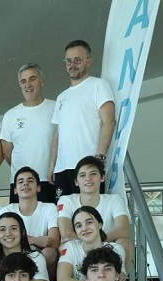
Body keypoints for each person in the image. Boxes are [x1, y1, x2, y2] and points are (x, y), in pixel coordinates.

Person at [50, 40, 116, 198]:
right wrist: (52, 165)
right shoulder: (61, 97)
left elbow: (109, 122)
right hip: (62, 169)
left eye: (77, 60)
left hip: (88, 168)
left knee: (89, 212)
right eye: (68, 61)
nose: (72, 65)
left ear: (88, 61)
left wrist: (99, 157)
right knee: (65, 213)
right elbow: (58, 135)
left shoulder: (99, 85)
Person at [1, 64, 58, 204]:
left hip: (49, 179)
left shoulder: (55, 107)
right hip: (20, 183)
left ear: (41, 81)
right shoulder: (10, 115)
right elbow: (7, 153)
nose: (28, 85)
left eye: (32, 79)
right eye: (23, 81)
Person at [57, 156, 132, 261]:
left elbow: (123, 230)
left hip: (106, 244)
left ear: (102, 178)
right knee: (64, 247)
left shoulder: (115, 199)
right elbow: (66, 233)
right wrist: (91, 242)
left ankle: (119, 273)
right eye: (82, 175)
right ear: (76, 182)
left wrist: (96, 242)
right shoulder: (66, 200)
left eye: (93, 174)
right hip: (78, 245)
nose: (88, 178)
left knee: (125, 244)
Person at [55, 206, 128, 281]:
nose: (84, 228)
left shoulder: (115, 249)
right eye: (78, 226)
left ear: (100, 224)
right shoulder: (71, 246)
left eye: (89, 222)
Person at [5, 167, 61, 277]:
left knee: (50, 253)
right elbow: (2, 240)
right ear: (15, 190)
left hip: (40, 258)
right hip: (14, 255)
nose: (25, 184)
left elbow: (54, 242)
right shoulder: (7, 210)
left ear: (38, 188)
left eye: (30, 181)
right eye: (20, 181)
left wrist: (20, 239)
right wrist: (34, 240)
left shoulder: (49, 208)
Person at [0, 211, 50, 281]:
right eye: (2, 229)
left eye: (13, 228)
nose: (8, 233)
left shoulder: (36, 258)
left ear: (23, 232)